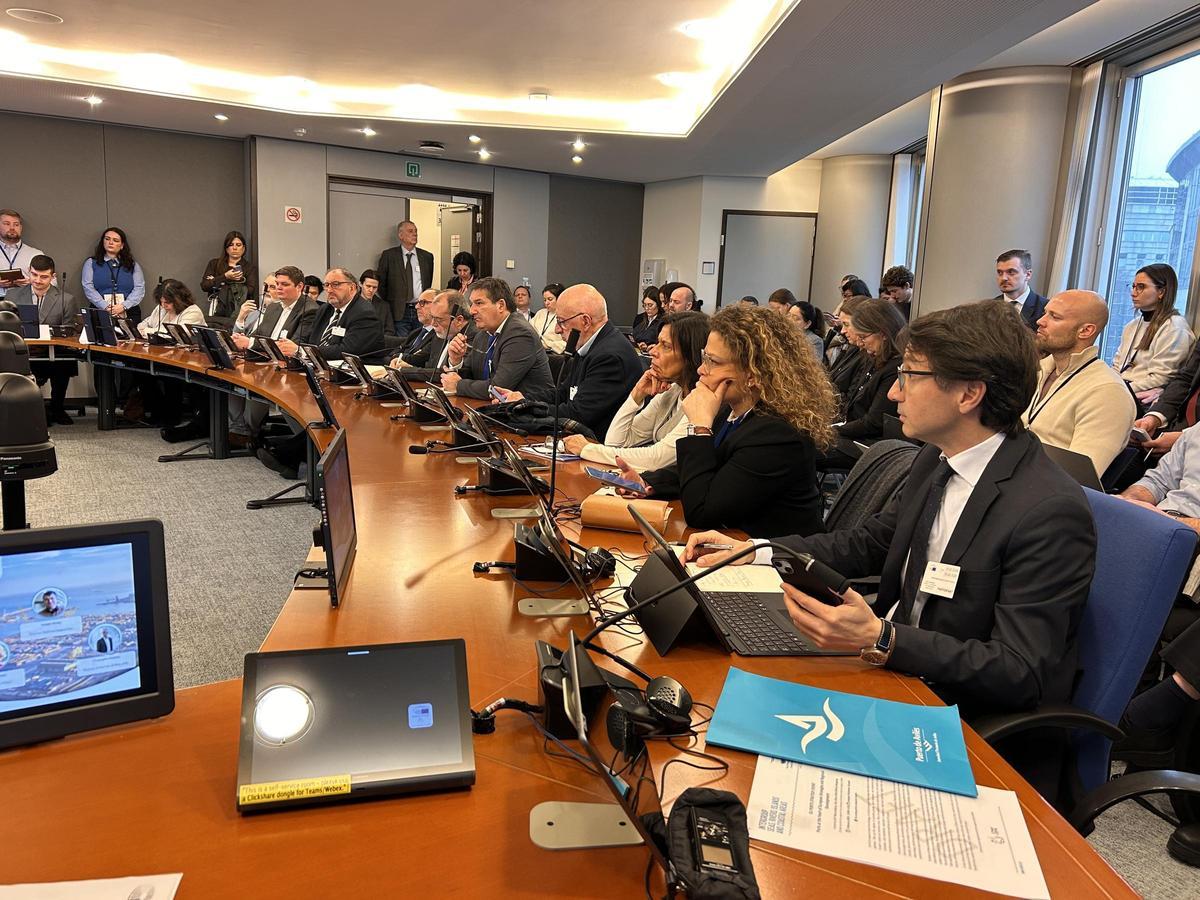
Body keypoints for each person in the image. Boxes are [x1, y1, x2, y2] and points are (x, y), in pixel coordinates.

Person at [682, 299, 1095, 805]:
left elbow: (1019, 670)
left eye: (910, 376)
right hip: (896, 676)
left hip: (957, 718)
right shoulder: (937, 460)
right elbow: (867, 542)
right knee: (722, 720)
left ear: (969, 394)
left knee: (759, 783)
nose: (895, 391)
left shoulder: (1047, 511)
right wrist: (756, 551)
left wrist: (882, 638)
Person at [617, 305, 837, 538]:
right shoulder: (731, 412)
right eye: (704, 358)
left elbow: (702, 512)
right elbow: (706, 471)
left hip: (775, 565)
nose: (701, 369)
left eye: (713, 361)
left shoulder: (777, 434)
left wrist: (699, 428)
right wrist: (645, 481)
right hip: (734, 545)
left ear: (752, 374)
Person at [564, 311, 708, 471]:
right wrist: (637, 394)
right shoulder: (673, 391)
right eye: (657, 342)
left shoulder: (702, 403)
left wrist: (587, 449)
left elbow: (656, 459)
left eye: (666, 346)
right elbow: (616, 443)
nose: (653, 351)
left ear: (691, 355)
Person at [501, 284, 642, 437]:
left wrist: (527, 408)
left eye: (562, 322)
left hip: (598, 445)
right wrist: (523, 398)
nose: (557, 329)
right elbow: (563, 393)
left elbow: (578, 414)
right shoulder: (590, 345)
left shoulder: (610, 356)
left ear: (586, 321)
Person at [1023, 290, 1135, 478]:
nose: (1040, 321)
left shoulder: (1108, 393)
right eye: (1045, 312)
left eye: (1055, 317)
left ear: (1086, 331)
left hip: (1040, 493)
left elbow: (1075, 479)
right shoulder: (1037, 370)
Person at [229, 266, 318, 443]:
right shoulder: (273, 308)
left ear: (300, 287)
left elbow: (291, 346)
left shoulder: (309, 310)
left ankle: (250, 433)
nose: (278, 288)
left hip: (289, 369)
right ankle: (242, 430)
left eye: (284, 284)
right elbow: (258, 335)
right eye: (277, 284)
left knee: (258, 385)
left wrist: (251, 343)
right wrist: (243, 339)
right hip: (265, 363)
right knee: (228, 373)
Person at [440, 277, 553, 400]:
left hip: (528, 413)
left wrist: (458, 385)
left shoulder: (520, 334)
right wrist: (456, 361)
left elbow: (498, 388)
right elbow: (472, 375)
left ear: (500, 305)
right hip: (494, 408)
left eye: (479, 303)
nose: (472, 311)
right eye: (472, 304)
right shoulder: (483, 333)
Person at [1112, 264, 1193, 405]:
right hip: (1122, 391)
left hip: (1143, 399)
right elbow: (1117, 366)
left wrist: (1119, 390)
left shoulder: (1175, 327)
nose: (1133, 292)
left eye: (1141, 287)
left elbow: (1161, 378)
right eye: (1133, 286)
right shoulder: (1131, 326)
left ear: (1161, 292)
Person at [10, 254, 77, 424]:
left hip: (53, 351)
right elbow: (8, 328)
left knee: (64, 362)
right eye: (34, 275)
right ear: (28, 272)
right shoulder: (13, 296)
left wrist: (47, 340)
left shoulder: (66, 299)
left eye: (44, 276)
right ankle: (30, 411)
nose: (38, 280)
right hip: (23, 350)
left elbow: (69, 332)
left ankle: (57, 408)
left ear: (53, 277)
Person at [293, 269, 384, 361]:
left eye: (335, 285)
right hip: (319, 366)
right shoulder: (325, 309)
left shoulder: (365, 313)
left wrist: (303, 352)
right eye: (327, 285)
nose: (329, 290)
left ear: (352, 288)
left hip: (349, 371)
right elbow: (308, 339)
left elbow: (347, 351)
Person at [389, 291, 470, 380]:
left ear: (459, 320)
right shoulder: (441, 334)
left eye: (438, 319)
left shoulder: (472, 338)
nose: (433, 323)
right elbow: (427, 366)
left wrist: (405, 370)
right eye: (432, 317)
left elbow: (447, 373)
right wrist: (405, 366)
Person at [376, 220, 434, 338]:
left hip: (421, 308)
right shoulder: (389, 256)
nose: (415, 234)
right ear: (400, 235)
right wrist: (393, 301)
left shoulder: (427, 257)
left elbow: (428, 282)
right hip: (399, 310)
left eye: (416, 231)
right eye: (410, 231)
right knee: (402, 343)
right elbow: (381, 284)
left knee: (421, 341)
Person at [81, 227, 146, 324]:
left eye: (115, 240)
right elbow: (88, 287)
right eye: (107, 239)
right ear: (103, 242)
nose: (110, 242)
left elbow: (139, 288)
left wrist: (124, 306)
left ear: (122, 245)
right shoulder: (91, 263)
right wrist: (105, 306)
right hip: (100, 311)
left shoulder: (132, 265)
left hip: (129, 311)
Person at [200, 231, 255, 327]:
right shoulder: (214, 264)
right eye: (231, 245)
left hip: (238, 308)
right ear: (226, 248)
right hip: (216, 308)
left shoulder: (249, 267)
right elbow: (205, 286)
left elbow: (250, 290)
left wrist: (217, 282)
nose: (235, 248)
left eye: (238, 245)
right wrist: (225, 276)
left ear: (243, 248)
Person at [994, 249, 1048, 331]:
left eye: (1011, 272)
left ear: (1028, 275)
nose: (1004, 278)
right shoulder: (988, 308)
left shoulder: (1045, 308)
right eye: (1000, 273)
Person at [0, 209, 43, 298]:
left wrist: (33, 283)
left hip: (26, 301)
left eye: (16, 224)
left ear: (21, 228)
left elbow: (53, 284)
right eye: (7, 224)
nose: (12, 228)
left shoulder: (35, 254)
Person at [532, 283, 566, 353]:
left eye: (550, 299)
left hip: (555, 355)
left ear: (559, 298)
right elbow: (529, 331)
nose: (546, 303)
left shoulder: (566, 315)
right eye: (545, 300)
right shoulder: (540, 313)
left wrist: (547, 344)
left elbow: (565, 344)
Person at [360, 268, 394, 334]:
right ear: (360, 284)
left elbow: (390, 331)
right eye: (368, 286)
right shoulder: (350, 302)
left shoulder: (384, 306)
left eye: (374, 287)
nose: (371, 290)